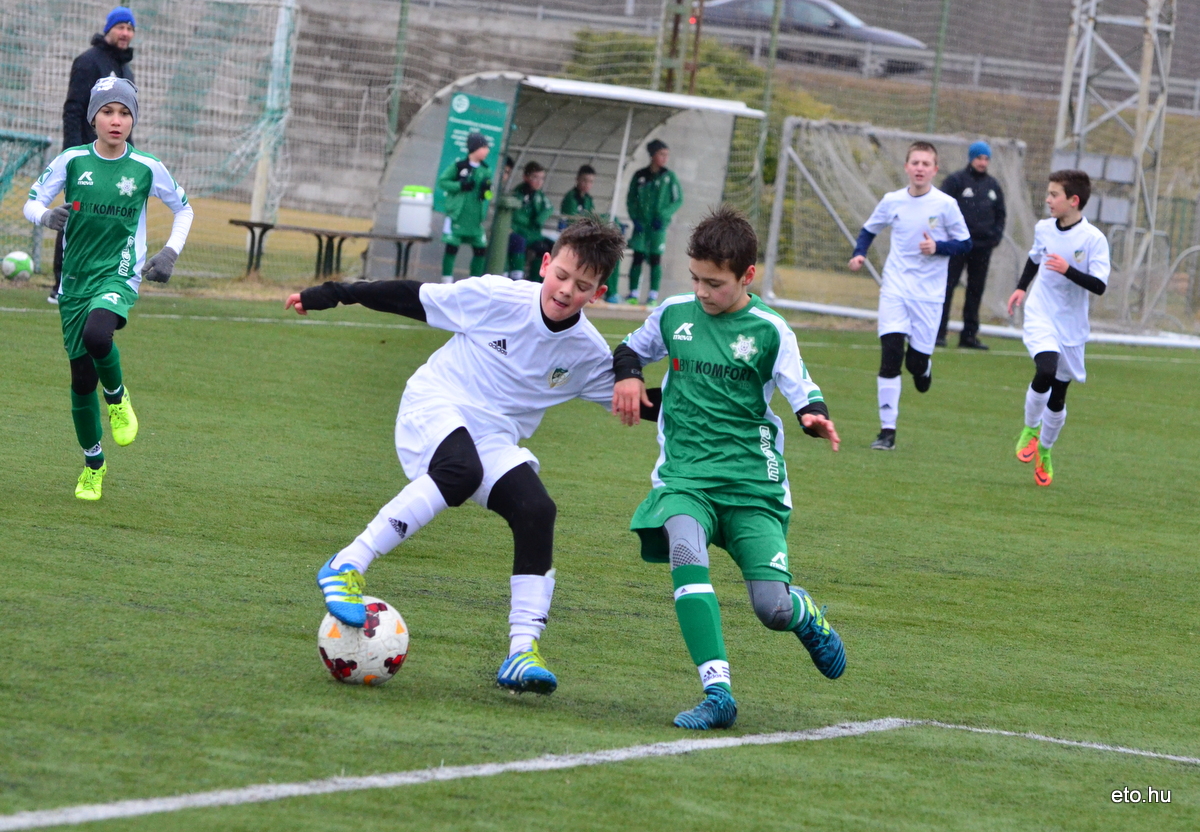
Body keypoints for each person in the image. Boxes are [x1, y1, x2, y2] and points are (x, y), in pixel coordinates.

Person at [286, 218, 654, 695]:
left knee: (537, 510)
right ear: (546, 263)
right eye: (561, 275)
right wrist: (333, 292)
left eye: (581, 286)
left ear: (597, 293)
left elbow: (638, 402)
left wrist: (714, 404)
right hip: (436, 403)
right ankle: (346, 565)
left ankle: (522, 652)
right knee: (461, 470)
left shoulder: (584, 350)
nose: (565, 290)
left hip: (494, 439)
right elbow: (411, 296)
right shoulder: (497, 296)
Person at [612, 206, 844, 729]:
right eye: (695, 278)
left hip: (750, 484)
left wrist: (814, 417)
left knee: (772, 611)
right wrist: (628, 376)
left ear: (747, 276)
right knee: (685, 551)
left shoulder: (769, 330)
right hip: (686, 478)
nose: (701, 291)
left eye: (714, 283)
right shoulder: (674, 314)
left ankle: (804, 614)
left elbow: (801, 388)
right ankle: (718, 693)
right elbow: (629, 348)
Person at [24, 78, 193, 500]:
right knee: (81, 382)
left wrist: (170, 252)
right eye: (108, 112)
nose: (117, 121)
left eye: (125, 112)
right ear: (93, 118)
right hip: (75, 279)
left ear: (133, 118)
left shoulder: (148, 167)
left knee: (98, 334)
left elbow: (184, 209)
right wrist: (45, 217)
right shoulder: (72, 160)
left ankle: (117, 399)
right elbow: (30, 201)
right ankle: (93, 465)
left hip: (119, 270)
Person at [849, 141, 972, 451]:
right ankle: (886, 432)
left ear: (934, 169)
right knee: (890, 355)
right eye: (914, 162)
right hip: (896, 289)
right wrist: (859, 253)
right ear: (906, 167)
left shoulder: (945, 205)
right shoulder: (893, 201)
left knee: (915, 363)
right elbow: (868, 230)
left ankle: (924, 366)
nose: (919, 168)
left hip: (929, 296)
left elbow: (966, 244)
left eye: (925, 163)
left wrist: (939, 248)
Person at [1008, 170, 1108, 487]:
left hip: (1072, 325)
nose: (1048, 200)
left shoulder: (1093, 239)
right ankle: (1030, 429)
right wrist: (1022, 288)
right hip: (1041, 312)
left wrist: (1068, 270)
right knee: (1046, 369)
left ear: (1073, 201)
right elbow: (1034, 258)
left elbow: (1099, 285)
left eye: (1054, 195)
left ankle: (1046, 451)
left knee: (1059, 394)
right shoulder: (1044, 229)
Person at [51, 6, 137, 305]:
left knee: (108, 219)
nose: (125, 33)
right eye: (120, 27)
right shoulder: (89, 61)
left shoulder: (126, 69)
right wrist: (72, 153)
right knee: (74, 215)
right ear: (108, 29)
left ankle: (109, 281)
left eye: (130, 28)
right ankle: (61, 283)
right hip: (87, 159)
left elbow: (127, 118)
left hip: (116, 162)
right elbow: (73, 108)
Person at [937, 141, 1006, 350]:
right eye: (979, 158)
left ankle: (968, 336)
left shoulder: (993, 186)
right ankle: (938, 333)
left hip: (982, 247)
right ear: (971, 158)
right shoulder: (956, 181)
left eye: (986, 159)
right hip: (957, 246)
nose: (983, 162)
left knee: (975, 291)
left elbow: (1001, 214)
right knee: (946, 288)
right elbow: (941, 207)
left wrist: (995, 237)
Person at [625, 139, 683, 306]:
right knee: (638, 256)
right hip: (642, 224)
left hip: (658, 226)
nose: (665, 158)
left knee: (656, 259)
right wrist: (635, 218)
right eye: (662, 154)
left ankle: (652, 296)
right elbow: (631, 199)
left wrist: (663, 215)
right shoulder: (640, 176)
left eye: (667, 155)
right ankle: (633, 293)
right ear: (652, 155)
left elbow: (678, 200)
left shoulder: (669, 177)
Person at [436, 131, 492, 284]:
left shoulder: (486, 170)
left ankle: (475, 282)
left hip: (475, 219)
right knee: (452, 247)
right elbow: (443, 182)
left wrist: (485, 193)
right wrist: (460, 185)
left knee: (480, 249)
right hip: (458, 216)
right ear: (475, 148)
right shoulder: (459, 166)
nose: (487, 151)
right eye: (484, 147)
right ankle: (446, 281)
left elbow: (488, 195)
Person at [507, 161, 553, 281]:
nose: (539, 182)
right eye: (535, 177)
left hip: (533, 235)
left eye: (542, 179)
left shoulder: (539, 195)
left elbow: (549, 208)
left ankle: (538, 280)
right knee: (521, 242)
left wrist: (540, 219)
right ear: (525, 177)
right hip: (520, 233)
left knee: (551, 247)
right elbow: (516, 218)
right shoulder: (518, 193)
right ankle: (517, 277)